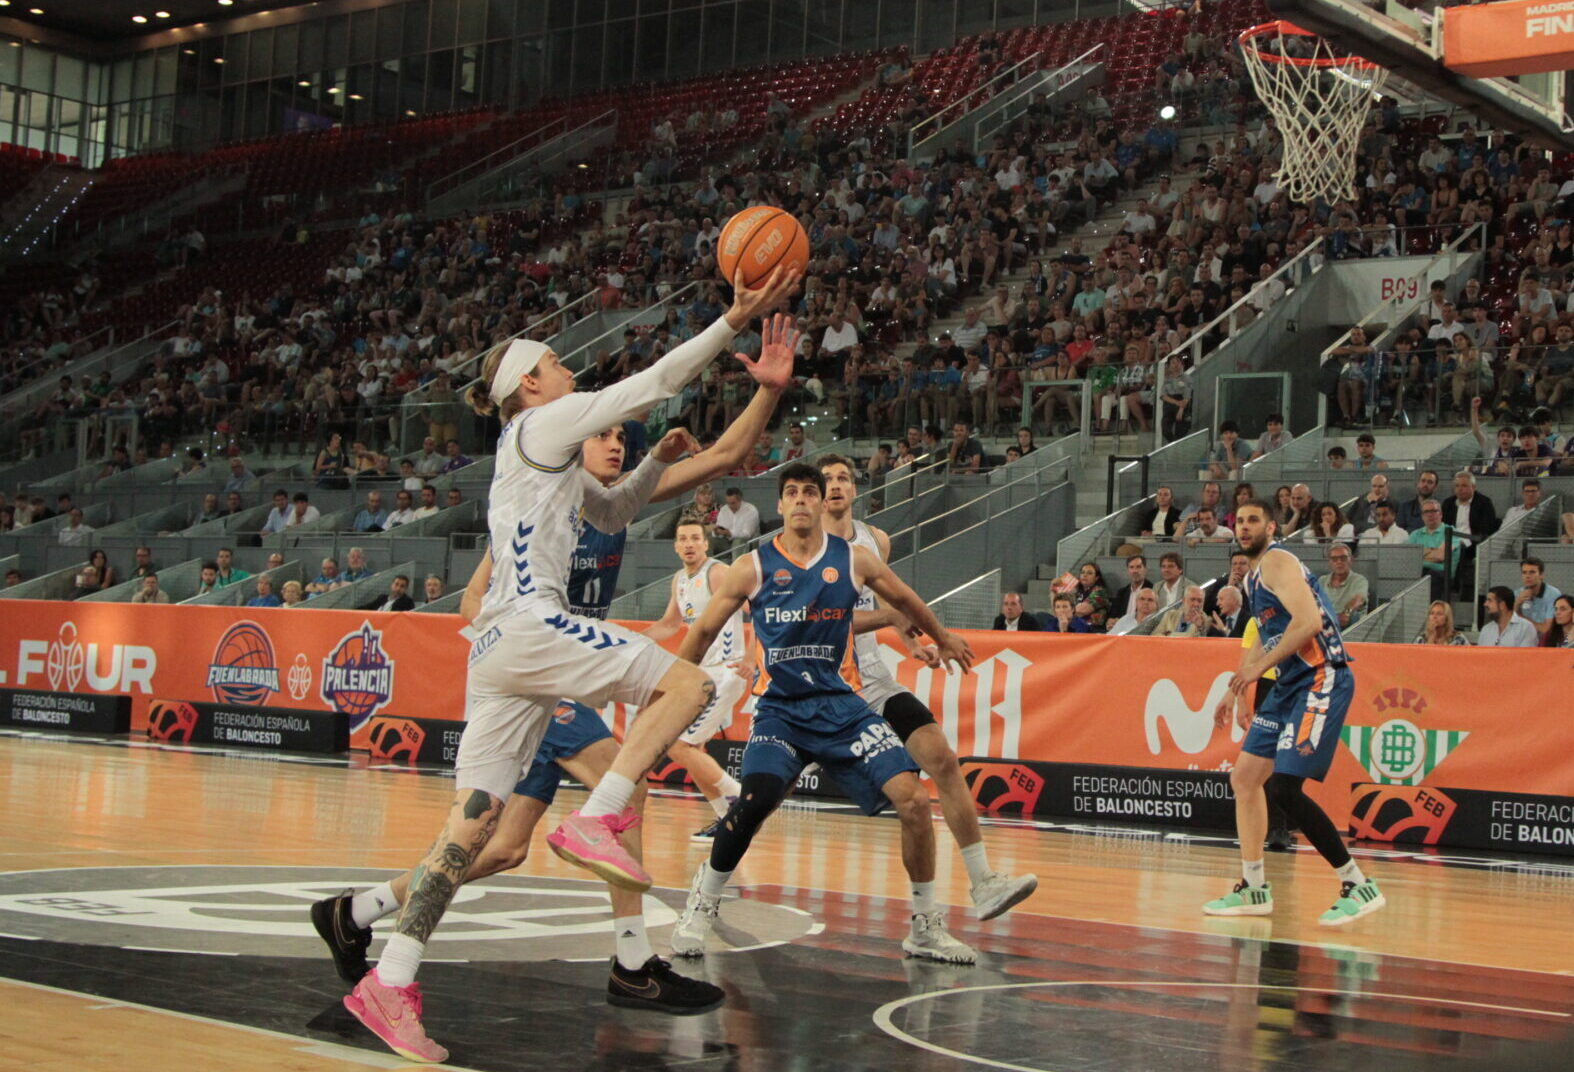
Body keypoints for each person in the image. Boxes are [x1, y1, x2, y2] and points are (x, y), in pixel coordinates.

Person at [336, 270, 797, 1061]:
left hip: (500, 653)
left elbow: (614, 508)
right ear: (528, 384)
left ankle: (391, 977)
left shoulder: (539, 458)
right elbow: (655, 382)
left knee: (472, 827)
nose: (567, 367)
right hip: (530, 625)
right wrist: (732, 320)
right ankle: (597, 817)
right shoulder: (541, 425)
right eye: (554, 361)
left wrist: (668, 454)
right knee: (688, 683)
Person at [669, 463, 981, 965]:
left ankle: (925, 926)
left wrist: (941, 636)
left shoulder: (854, 559)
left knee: (914, 802)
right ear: (779, 505)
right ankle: (702, 903)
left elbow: (904, 599)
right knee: (753, 803)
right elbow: (703, 631)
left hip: (841, 705)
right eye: (791, 492)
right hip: (781, 710)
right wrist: (675, 685)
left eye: (809, 492)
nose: (800, 500)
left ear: (820, 503)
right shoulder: (753, 566)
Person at [817, 454, 1036, 920]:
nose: (835, 485)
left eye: (843, 478)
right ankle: (712, 882)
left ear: (855, 489)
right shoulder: (805, 548)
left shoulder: (876, 541)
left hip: (872, 680)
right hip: (821, 688)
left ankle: (983, 881)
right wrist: (893, 620)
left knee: (942, 760)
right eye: (827, 480)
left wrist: (911, 640)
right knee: (764, 793)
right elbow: (826, 621)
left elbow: (888, 597)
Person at [1204, 499, 1384, 926]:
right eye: (1239, 521)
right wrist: (1236, 686)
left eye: (1253, 520)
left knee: (1285, 788)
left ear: (1271, 527)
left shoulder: (1277, 562)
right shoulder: (1253, 578)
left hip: (1322, 676)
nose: (1244, 527)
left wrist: (1256, 672)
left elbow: (1308, 623)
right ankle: (1253, 887)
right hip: (1290, 683)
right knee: (1245, 779)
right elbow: (1264, 637)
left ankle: (1357, 884)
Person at [640, 520, 754, 835]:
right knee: (693, 750)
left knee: (678, 746)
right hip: (702, 675)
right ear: (676, 546)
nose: (689, 544)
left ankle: (743, 802)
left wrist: (751, 656)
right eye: (683, 539)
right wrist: (632, 641)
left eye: (694, 538)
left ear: (705, 543)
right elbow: (669, 624)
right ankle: (727, 819)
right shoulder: (679, 579)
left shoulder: (717, 573)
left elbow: (757, 607)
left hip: (726, 670)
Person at [1408, 499, 1461, 600]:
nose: (1430, 514)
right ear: (1422, 516)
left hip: (1441, 576)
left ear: (1440, 514)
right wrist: (1432, 551)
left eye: (1433, 511)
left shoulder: (1450, 531)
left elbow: (1440, 556)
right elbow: (1408, 556)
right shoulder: (1415, 534)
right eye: (1426, 512)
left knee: (1430, 576)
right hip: (1418, 573)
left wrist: (1420, 553)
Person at [1318, 544, 1368, 629]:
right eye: (1334, 559)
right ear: (1329, 563)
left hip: (1349, 625)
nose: (1339, 562)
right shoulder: (1322, 580)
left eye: (1343, 558)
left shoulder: (1359, 580)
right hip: (1327, 622)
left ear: (1351, 560)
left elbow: (1359, 599)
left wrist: (1346, 613)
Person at [1516, 556, 1562, 638]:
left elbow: (1546, 629)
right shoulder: (1517, 594)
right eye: (1524, 572)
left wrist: (1520, 616)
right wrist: (1517, 604)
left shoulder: (1553, 594)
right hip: (1522, 638)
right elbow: (1509, 623)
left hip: (1545, 640)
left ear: (1541, 575)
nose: (1527, 576)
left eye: (1532, 572)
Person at [1109, 553, 1152, 620]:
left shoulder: (1152, 590)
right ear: (1128, 571)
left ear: (1145, 570)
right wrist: (1111, 621)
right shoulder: (1121, 593)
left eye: (1138, 567)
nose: (1135, 571)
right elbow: (1112, 616)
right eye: (1131, 567)